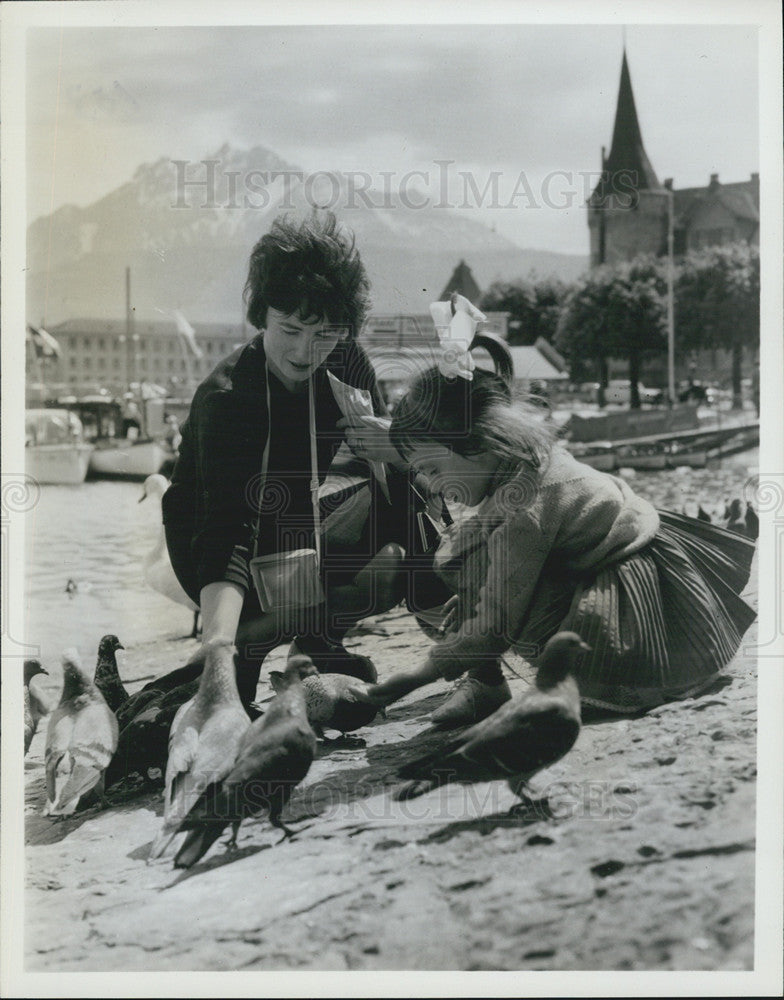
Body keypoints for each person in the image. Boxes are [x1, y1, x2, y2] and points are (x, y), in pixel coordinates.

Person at [351, 361, 757, 726]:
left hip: (641, 609)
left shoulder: (526, 510)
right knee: (465, 557)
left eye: (433, 468)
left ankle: (590, 682)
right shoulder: (526, 460)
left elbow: (495, 624)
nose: (434, 484)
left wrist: (412, 679)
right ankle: (486, 684)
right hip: (631, 567)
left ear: (478, 442)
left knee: (471, 564)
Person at [159, 212, 438, 705]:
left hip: (293, 530)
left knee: (401, 511)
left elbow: (397, 486)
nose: (306, 351)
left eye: (325, 334)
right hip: (216, 551)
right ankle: (243, 646)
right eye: (289, 329)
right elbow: (227, 531)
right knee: (230, 689)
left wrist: (395, 447)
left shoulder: (347, 360)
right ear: (262, 314)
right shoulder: (228, 397)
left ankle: (317, 645)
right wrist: (217, 642)